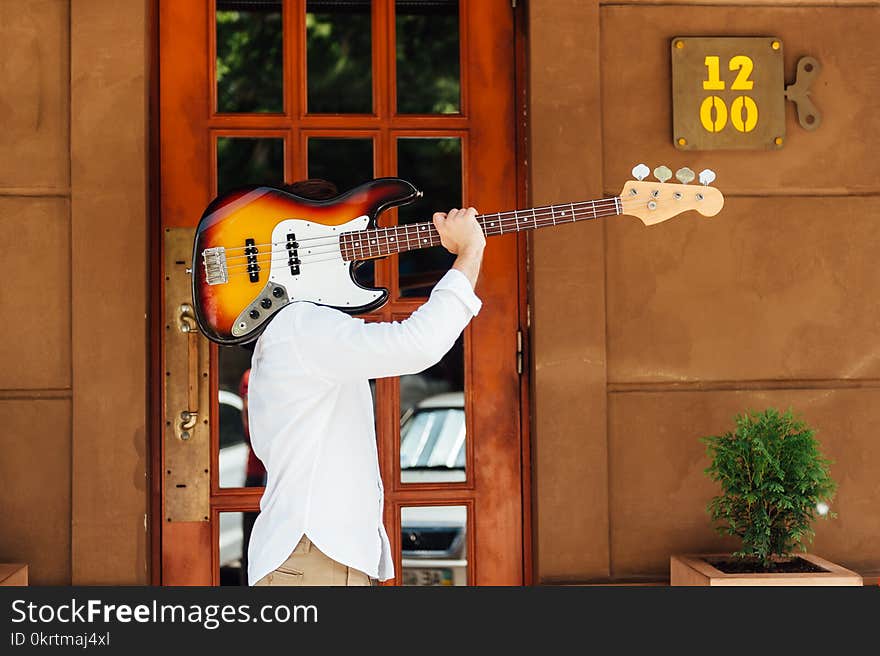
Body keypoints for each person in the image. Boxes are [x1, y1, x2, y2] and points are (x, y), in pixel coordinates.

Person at [245, 180, 486, 586]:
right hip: (313, 560)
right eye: (337, 234)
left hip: (314, 557)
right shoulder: (303, 326)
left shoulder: (298, 328)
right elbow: (419, 344)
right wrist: (470, 251)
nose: (350, 249)